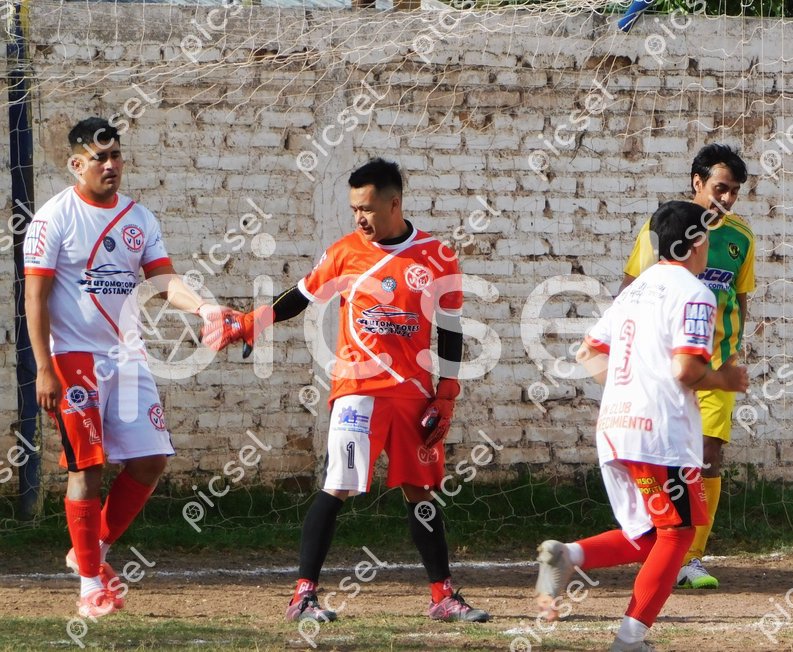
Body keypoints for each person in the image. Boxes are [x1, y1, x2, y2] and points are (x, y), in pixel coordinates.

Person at [204, 157, 489, 624]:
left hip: (414, 394)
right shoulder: (344, 252)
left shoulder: (437, 256)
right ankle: (302, 597)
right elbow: (299, 297)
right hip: (358, 389)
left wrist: (447, 393)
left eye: (367, 208)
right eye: (354, 208)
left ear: (394, 204)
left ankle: (442, 596)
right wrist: (252, 323)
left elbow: (451, 329)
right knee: (337, 486)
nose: (359, 217)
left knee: (422, 493)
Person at [24, 118, 231, 618]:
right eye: (101, 158)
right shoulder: (53, 218)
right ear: (77, 164)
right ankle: (90, 587)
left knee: (151, 459)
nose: (112, 165)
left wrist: (204, 308)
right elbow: (35, 296)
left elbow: (164, 280)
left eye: (116, 155)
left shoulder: (139, 217)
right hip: (73, 358)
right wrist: (44, 368)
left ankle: (89, 549)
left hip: (127, 357)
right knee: (88, 468)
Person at [534, 201, 749, 651]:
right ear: (695, 242)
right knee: (678, 533)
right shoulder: (695, 293)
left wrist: (629, 387)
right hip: (659, 433)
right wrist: (725, 379)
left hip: (616, 426)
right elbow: (687, 370)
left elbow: (588, 353)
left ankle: (568, 556)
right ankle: (630, 639)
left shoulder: (635, 291)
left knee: (650, 534)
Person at [619, 144, 754, 589]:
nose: (728, 199)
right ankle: (657, 540)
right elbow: (631, 288)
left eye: (734, 192)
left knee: (708, 455)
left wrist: (731, 354)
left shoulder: (741, 237)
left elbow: (741, 299)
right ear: (698, 182)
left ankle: (691, 557)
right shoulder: (663, 226)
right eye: (721, 188)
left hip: (715, 366)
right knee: (660, 458)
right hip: (665, 365)